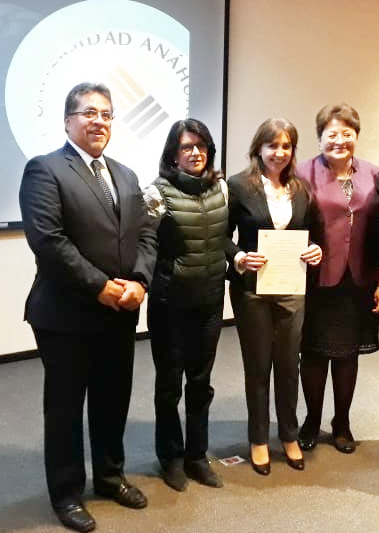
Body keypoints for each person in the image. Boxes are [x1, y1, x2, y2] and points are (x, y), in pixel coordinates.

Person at [18, 82, 157, 532]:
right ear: (67, 121)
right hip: (66, 315)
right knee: (64, 407)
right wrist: (101, 287)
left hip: (120, 311)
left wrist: (139, 280)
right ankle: (66, 493)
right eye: (89, 113)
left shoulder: (126, 174)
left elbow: (146, 235)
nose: (99, 121)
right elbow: (49, 242)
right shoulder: (45, 170)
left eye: (107, 114)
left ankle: (111, 476)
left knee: (112, 399)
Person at [225, 118, 323, 475]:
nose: (279, 153)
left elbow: (316, 236)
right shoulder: (238, 186)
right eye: (272, 146)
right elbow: (222, 236)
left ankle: (289, 435)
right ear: (259, 148)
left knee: (288, 365)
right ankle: (258, 439)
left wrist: (316, 250)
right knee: (257, 366)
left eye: (286, 147)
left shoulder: (302, 188)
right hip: (252, 289)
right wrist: (238, 256)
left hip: (291, 288)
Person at [296, 104, 379, 454]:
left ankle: (342, 423)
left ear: (356, 136)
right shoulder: (301, 173)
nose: (339, 140)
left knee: (348, 354)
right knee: (315, 353)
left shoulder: (375, 174)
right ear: (319, 137)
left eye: (346, 133)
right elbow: (288, 221)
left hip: (359, 277)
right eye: (331, 134)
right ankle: (311, 420)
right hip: (317, 277)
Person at [142, 119, 227, 491]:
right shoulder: (155, 193)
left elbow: (222, 240)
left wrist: (237, 261)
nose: (195, 153)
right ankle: (170, 457)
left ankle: (197, 455)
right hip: (170, 304)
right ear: (173, 155)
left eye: (201, 146)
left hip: (209, 301)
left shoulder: (220, 188)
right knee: (169, 385)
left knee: (200, 382)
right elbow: (145, 244)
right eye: (186, 147)